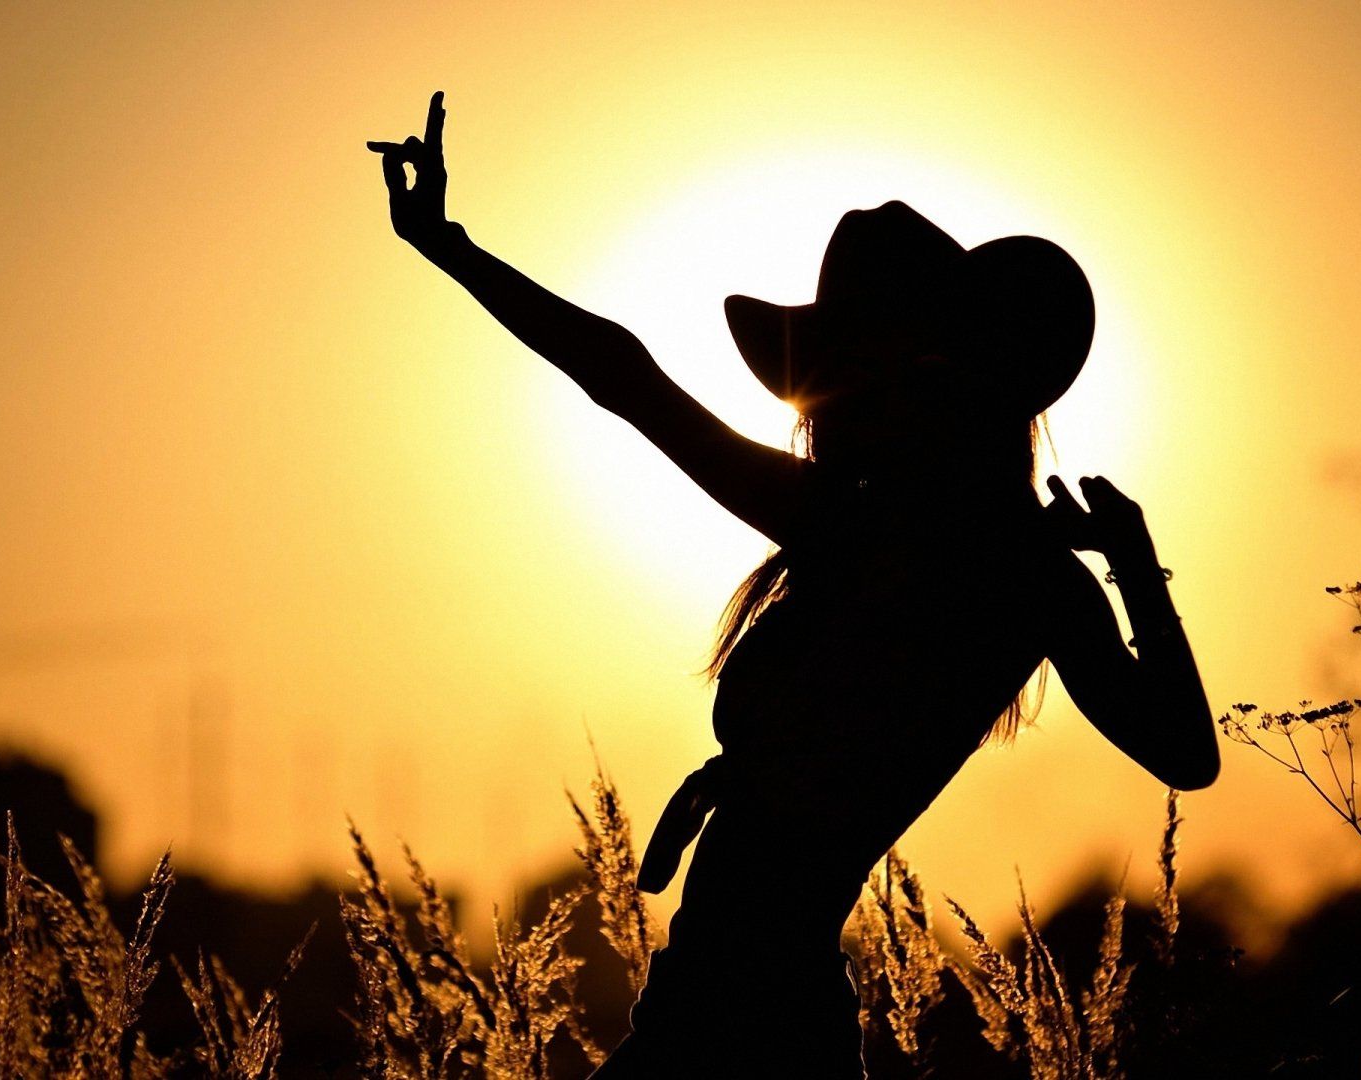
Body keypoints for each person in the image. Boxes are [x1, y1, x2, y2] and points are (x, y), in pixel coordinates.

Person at [369, 92, 1218, 1079]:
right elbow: (629, 382)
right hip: (745, 1007)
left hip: (743, 1016)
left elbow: (629, 382)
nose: (862, 402)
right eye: (853, 375)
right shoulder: (994, 564)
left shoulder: (921, 544)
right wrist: (1128, 565)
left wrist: (452, 247)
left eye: (890, 369)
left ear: (960, 379)